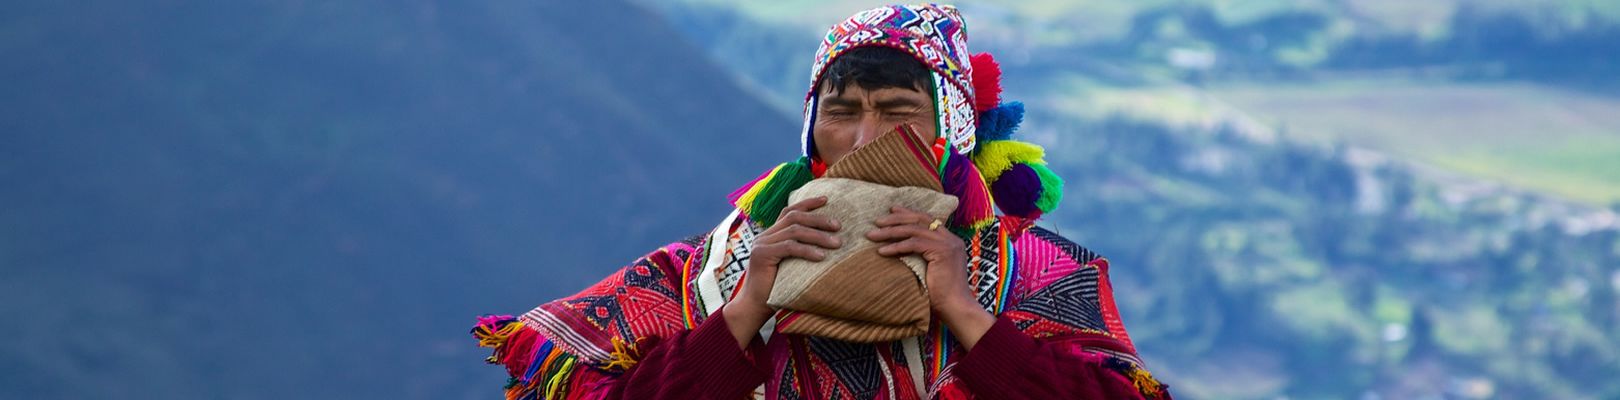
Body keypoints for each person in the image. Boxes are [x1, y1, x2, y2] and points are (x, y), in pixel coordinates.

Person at [470, 4, 1172, 399]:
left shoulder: (1041, 272)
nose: (865, 137)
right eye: (842, 111)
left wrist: (967, 315)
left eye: (898, 111)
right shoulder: (709, 272)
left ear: (951, 130)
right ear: (812, 126)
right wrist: (743, 314)